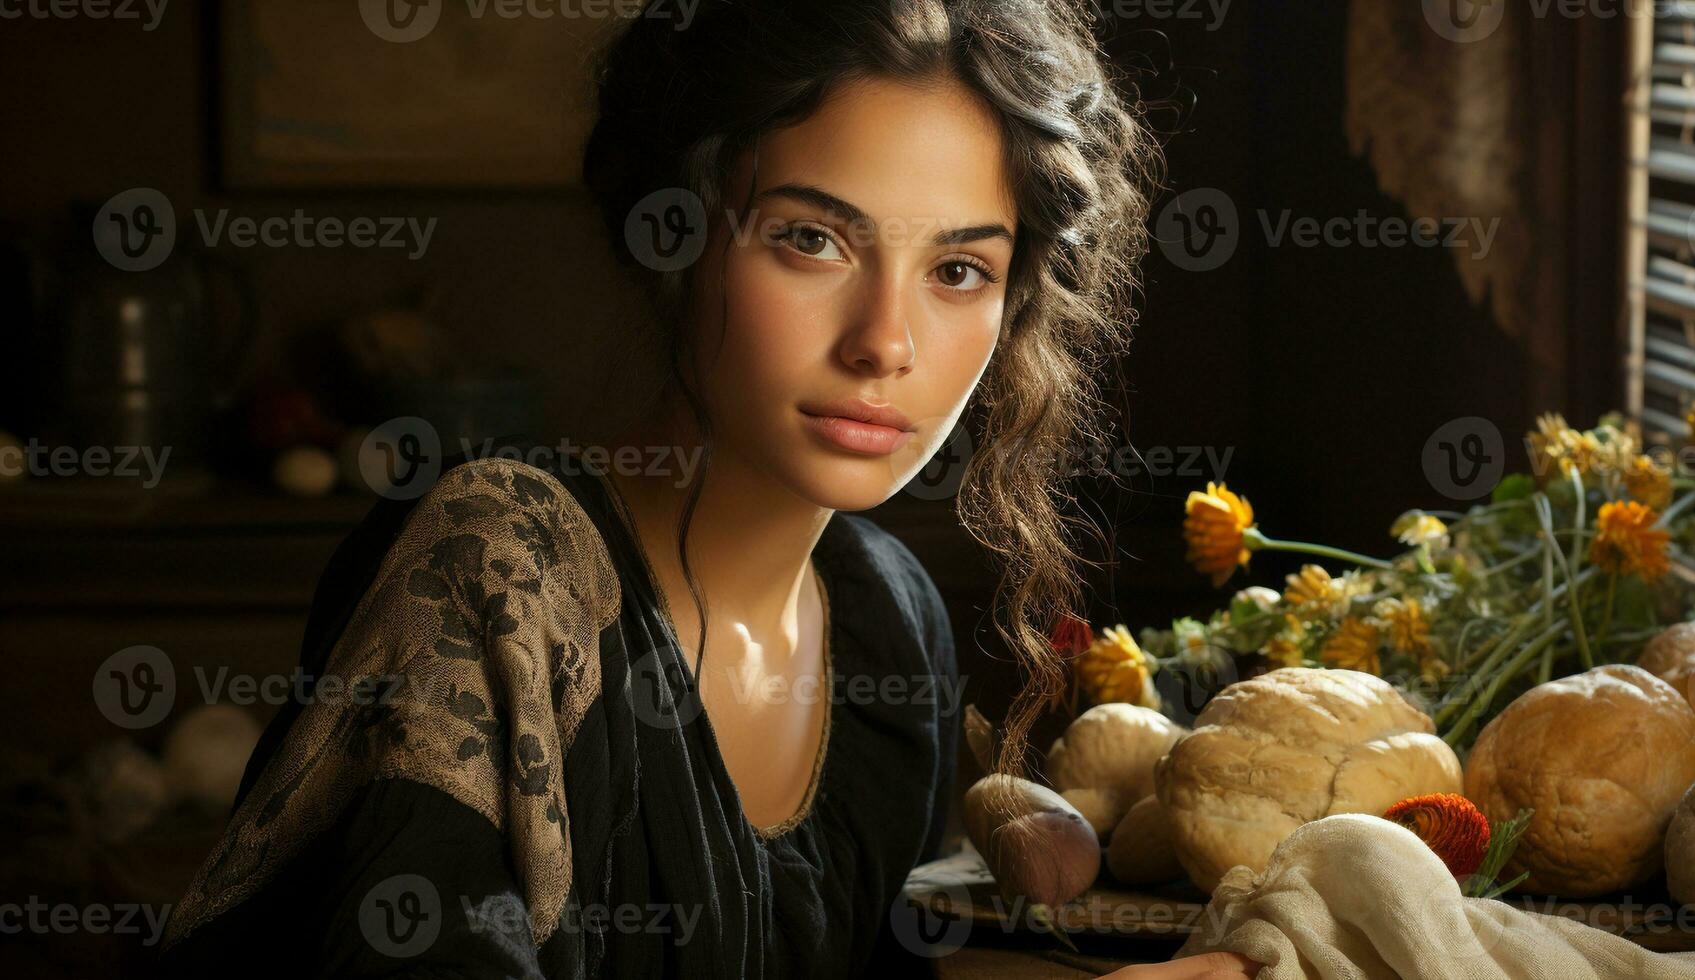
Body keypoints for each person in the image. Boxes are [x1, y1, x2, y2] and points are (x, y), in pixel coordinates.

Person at [156, 2, 1257, 976]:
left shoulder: (885, 617)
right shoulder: (497, 563)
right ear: (675, 239)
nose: (886, 341)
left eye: (958, 269)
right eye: (811, 240)